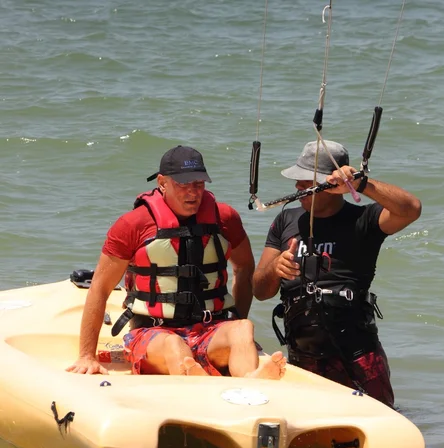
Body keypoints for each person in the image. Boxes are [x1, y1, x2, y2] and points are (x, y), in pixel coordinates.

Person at [67, 145, 286, 379]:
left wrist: (235, 319)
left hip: (210, 330)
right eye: (183, 184)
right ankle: (195, 379)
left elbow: (244, 267)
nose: (193, 192)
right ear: (162, 182)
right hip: (154, 333)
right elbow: (100, 288)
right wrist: (87, 355)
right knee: (173, 345)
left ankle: (252, 382)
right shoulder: (133, 224)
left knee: (243, 329)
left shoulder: (225, 218)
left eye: (199, 184)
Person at [252, 140, 422, 406]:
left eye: (306, 182)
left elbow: (411, 209)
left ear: (332, 186)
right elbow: (260, 291)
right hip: (302, 355)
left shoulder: (364, 219)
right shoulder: (285, 220)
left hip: (358, 353)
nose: (297, 187)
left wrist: (362, 184)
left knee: (376, 427)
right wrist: (275, 269)